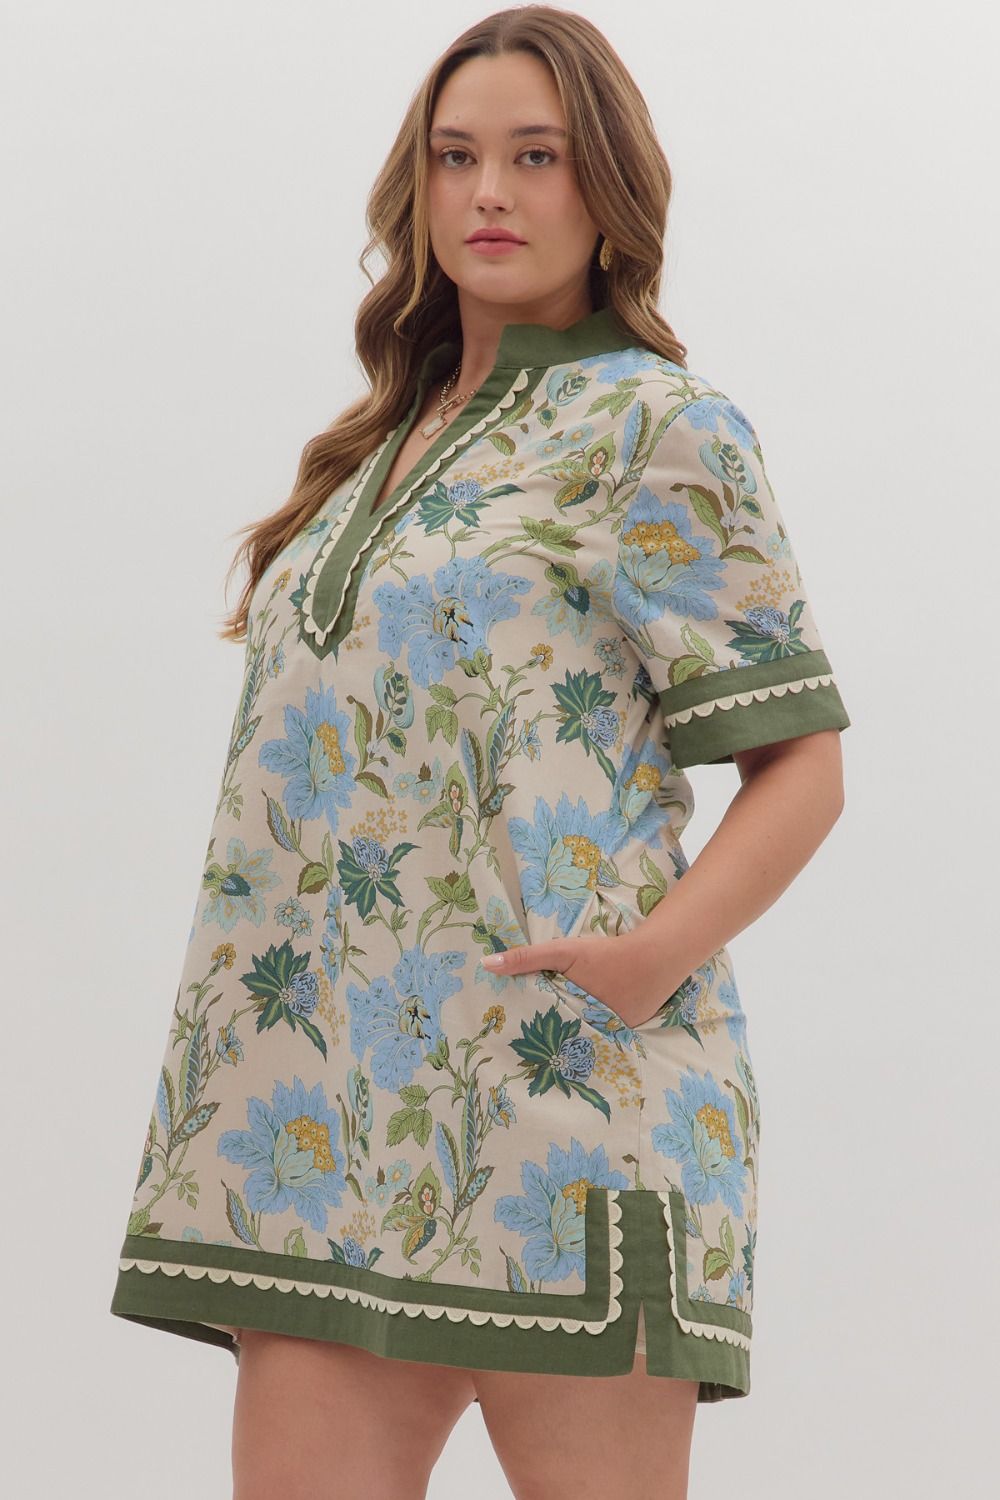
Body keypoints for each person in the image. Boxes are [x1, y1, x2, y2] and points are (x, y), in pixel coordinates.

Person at [109, 7, 851, 1498]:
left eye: (537, 157)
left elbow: (805, 767)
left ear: (610, 189)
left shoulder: (660, 428)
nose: (489, 193)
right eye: (456, 158)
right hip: (319, 1119)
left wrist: (646, 961)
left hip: (567, 1111)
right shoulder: (371, 446)